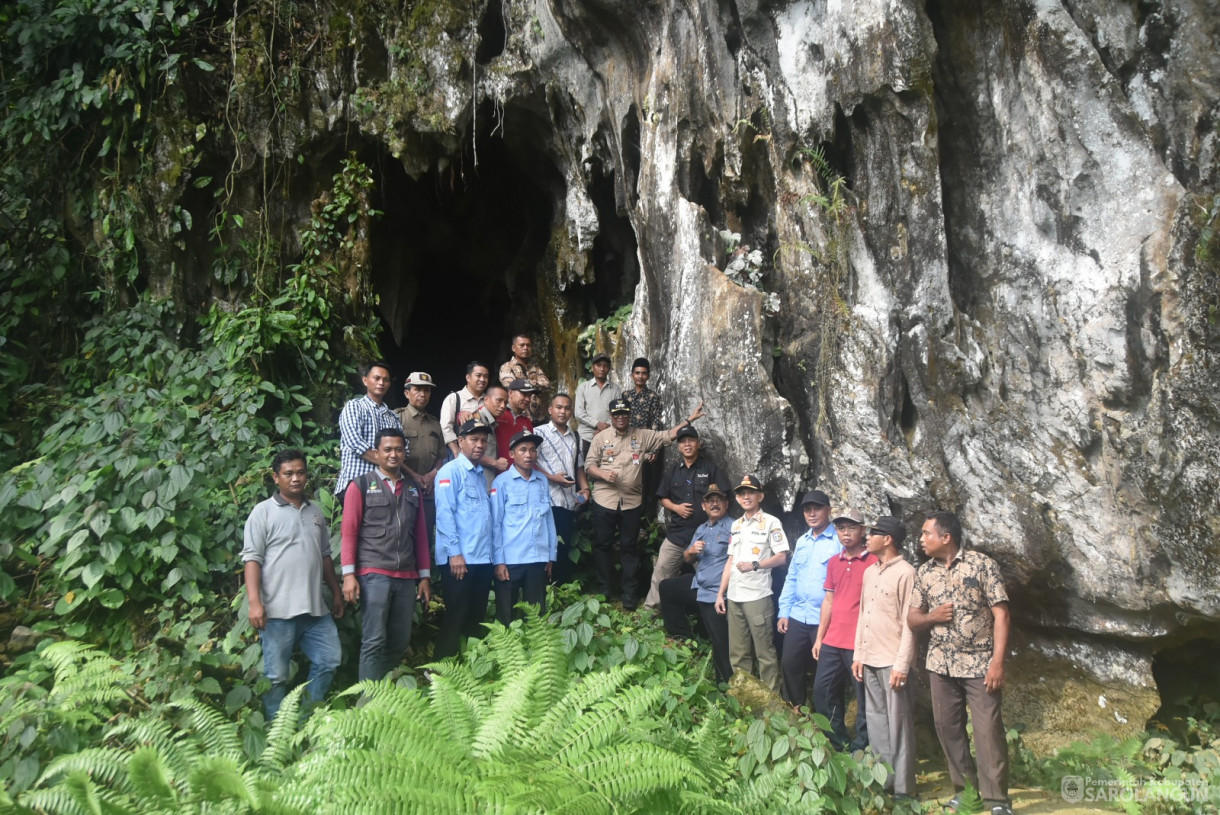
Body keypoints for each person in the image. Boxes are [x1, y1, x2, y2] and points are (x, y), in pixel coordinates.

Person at [908, 511, 1012, 815]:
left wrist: (998, 663)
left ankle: (997, 801)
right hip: (940, 665)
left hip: (980, 665)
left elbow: (1002, 615)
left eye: (926, 533)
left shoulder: (982, 565)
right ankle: (966, 793)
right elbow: (913, 619)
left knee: (988, 730)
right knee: (947, 727)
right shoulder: (924, 572)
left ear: (945, 537)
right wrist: (932, 617)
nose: (921, 539)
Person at [241, 449, 343, 719]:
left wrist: (335, 592)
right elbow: (252, 559)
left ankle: (309, 717)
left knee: (329, 659)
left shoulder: (315, 512)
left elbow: (324, 556)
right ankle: (278, 734)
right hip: (277, 613)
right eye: (288, 474)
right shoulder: (262, 513)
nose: (295, 479)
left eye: (300, 473)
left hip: (314, 611)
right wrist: (254, 603)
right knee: (276, 677)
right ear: (276, 477)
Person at [585, 397, 707, 610]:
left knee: (629, 548)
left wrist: (689, 419)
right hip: (604, 500)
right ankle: (604, 590)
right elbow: (589, 466)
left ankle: (629, 595)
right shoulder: (601, 437)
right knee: (602, 545)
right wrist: (604, 475)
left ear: (629, 414)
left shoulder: (641, 435)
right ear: (611, 416)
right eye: (616, 414)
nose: (620, 417)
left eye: (624, 413)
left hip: (631, 502)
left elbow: (668, 435)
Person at [340, 428, 432, 682]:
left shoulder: (412, 488)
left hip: (406, 576)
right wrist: (349, 575)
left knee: (400, 640)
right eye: (387, 449)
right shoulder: (359, 485)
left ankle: (386, 695)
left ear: (405, 452)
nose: (393, 454)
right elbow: (349, 532)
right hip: (374, 573)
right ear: (377, 452)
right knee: (374, 639)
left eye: (399, 449)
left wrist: (424, 577)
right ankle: (368, 703)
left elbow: (421, 536)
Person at [852, 516, 917, 802]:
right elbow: (863, 615)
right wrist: (858, 655)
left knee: (899, 724)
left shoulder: (906, 573)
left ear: (888, 539)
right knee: (876, 722)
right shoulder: (870, 572)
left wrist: (902, 664)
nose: (866, 537)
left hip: (893, 660)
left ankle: (904, 788)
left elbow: (909, 623)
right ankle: (883, 781)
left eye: (873, 533)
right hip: (871, 657)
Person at [714, 475, 790, 693]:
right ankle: (744, 701)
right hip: (735, 597)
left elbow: (782, 557)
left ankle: (771, 708)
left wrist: (756, 564)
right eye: (741, 493)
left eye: (750, 492)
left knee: (765, 654)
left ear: (760, 496)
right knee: (738, 655)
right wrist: (721, 593)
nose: (746, 497)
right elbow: (730, 560)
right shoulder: (736, 525)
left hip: (758, 597)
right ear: (737, 498)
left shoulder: (772, 523)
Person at [644, 425, 728, 609]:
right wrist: (676, 507)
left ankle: (710, 613)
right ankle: (650, 611)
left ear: (698, 443)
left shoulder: (710, 468)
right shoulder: (673, 470)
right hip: (678, 533)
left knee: (709, 576)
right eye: (683, 441)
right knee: (661, 572)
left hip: (705, 536)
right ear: (679, 446)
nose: (687, 444)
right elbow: (662, 497)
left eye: (691, 440)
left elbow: (722, 497)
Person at [812, 508, 876, 751]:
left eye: (851, 527)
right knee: (823, 691)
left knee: (863, 696)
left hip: (859, 642)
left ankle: (862, 746)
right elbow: (828, 602)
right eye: (841, 528)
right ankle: (837, 742)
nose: (846, 533)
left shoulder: (873, 562)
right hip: (832, 639)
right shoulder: (833, 562)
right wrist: (820, 638)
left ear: (863, 530)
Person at [433, 418, 496, 660]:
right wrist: (454, 554)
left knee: (476, 615)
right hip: (460, 559)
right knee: (456, 614)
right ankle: (438, 669)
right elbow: (445, 514)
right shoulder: (450, 471)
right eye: (474, 440)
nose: (480, 445)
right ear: (460, 441)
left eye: (483, 440)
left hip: (481, 559)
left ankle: (471, 668)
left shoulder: (480, 475)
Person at [657, 484, 733, 683]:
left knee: (720, 641)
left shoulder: (734, 527)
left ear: (726, 504)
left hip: (716, 591)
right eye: (710, 501)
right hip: (697, 584)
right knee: (667, 587)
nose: (714, 504)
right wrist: (690, 552)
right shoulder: (701, 528)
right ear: (704, 506)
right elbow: (688, 559)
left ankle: (724, 684)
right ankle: (683, 638)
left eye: (718, 500)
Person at [776, 489, 841, 708]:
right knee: (790, 663)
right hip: (797, 614)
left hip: (824, 618)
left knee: (825, 672)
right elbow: (791, 578)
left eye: (817, 509)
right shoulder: (802, 541)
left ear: (828, 511)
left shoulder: (838, 542)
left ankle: (826, 720)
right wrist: (784, 612)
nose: (812, 514)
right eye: (807, 509)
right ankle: (797, 711)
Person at [491, 430, 557, 624]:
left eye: (532, 450)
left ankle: (535, 653)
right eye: (523, 450)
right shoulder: (501, 482)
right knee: (506, 617)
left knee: (536, 617)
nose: (529, 454)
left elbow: (548, 520)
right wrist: (499, 561)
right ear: (512, 454)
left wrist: (550, 556)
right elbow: (495, 524)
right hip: (511, 560)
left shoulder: (542, 480)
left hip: (537, 559)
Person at [534, 393, 589, 584]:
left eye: (566, 408)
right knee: (543, 547)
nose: (562, 411)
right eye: (558, 407)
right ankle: (541, 592)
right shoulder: (538, 433)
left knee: (562, 546)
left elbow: (579, 466)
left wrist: (585, 489)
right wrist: (551, 478)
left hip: (567, 501)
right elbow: (529, 463)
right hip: (544, 500)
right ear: (550, 409)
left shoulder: (575, 436)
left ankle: (561, 591)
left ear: (571, 412)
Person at [394, 372, 446, 547]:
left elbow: (441, 455)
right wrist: (414, 475)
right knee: (402, 535)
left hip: (427, 489)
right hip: (403, 485)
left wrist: (433, 474)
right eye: (417, 389)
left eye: (427, 390)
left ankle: (424, 573)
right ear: (407, 393)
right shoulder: (397, 417)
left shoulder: (435, 423)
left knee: (424, 537)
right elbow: (390, 454)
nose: (422, 394)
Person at [335, 361, 403, 494]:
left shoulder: (393, 416)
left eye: (386, 380)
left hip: (385, 487)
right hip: (356, 483)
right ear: (365, 380)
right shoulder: (354, 406)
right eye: (377, 378)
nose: (381, 383)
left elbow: (404, 448)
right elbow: (354, 442)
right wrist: (387, 461)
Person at [574, 353, 621, 459]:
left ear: (609, 369)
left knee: (606, 469)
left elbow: (617, 413)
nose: (602, 368)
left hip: (608, 436)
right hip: (585, 437)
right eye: (598, 365)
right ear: (592, 367)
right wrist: (597, 424)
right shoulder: (583, 388)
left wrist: (603, 429)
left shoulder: (615, 389)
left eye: (605, 366)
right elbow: (579, 413)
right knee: (583, 469)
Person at [440, 361, 490, 457]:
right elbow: (445, 427)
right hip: (460, 454)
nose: (482, 379)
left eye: (486, 376)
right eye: (478, 375)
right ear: (468, 377)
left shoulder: (489, 400)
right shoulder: (454, 398)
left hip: (485, 454)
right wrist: (456, 450)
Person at [498, 333, 551, 422]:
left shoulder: (535, 368)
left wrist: (524, 385)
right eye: (522, 345)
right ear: (513, 348)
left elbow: (547, 384)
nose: (525, 348)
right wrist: (535, 385)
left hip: (540, 418)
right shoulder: (507, 367)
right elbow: (512, 387)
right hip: (519, 416)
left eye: (528, 345)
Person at [476, 384, 511, 487]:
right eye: (499, 400)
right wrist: (495, 463)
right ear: (486, 400)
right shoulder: (478, 420)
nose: (503, 406)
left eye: (505, 402)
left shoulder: (492, 423)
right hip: (477, 485)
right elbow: (468, 453)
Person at [496, 378, 536, 457]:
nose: (528, 399)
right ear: (510, 393)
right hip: (494, 466)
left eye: (530, 395)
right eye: (524, 394)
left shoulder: (527, 421)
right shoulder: (497, 412)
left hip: (517, 468)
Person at [622, 357, 663, 431]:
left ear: (648, 376)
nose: (640, 376)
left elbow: (656, 423)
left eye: (644, 373)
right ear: (632, 375)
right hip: (626, 438)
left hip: (646, 439)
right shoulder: (625, 395)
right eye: (637, 373)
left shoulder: (654, 397)